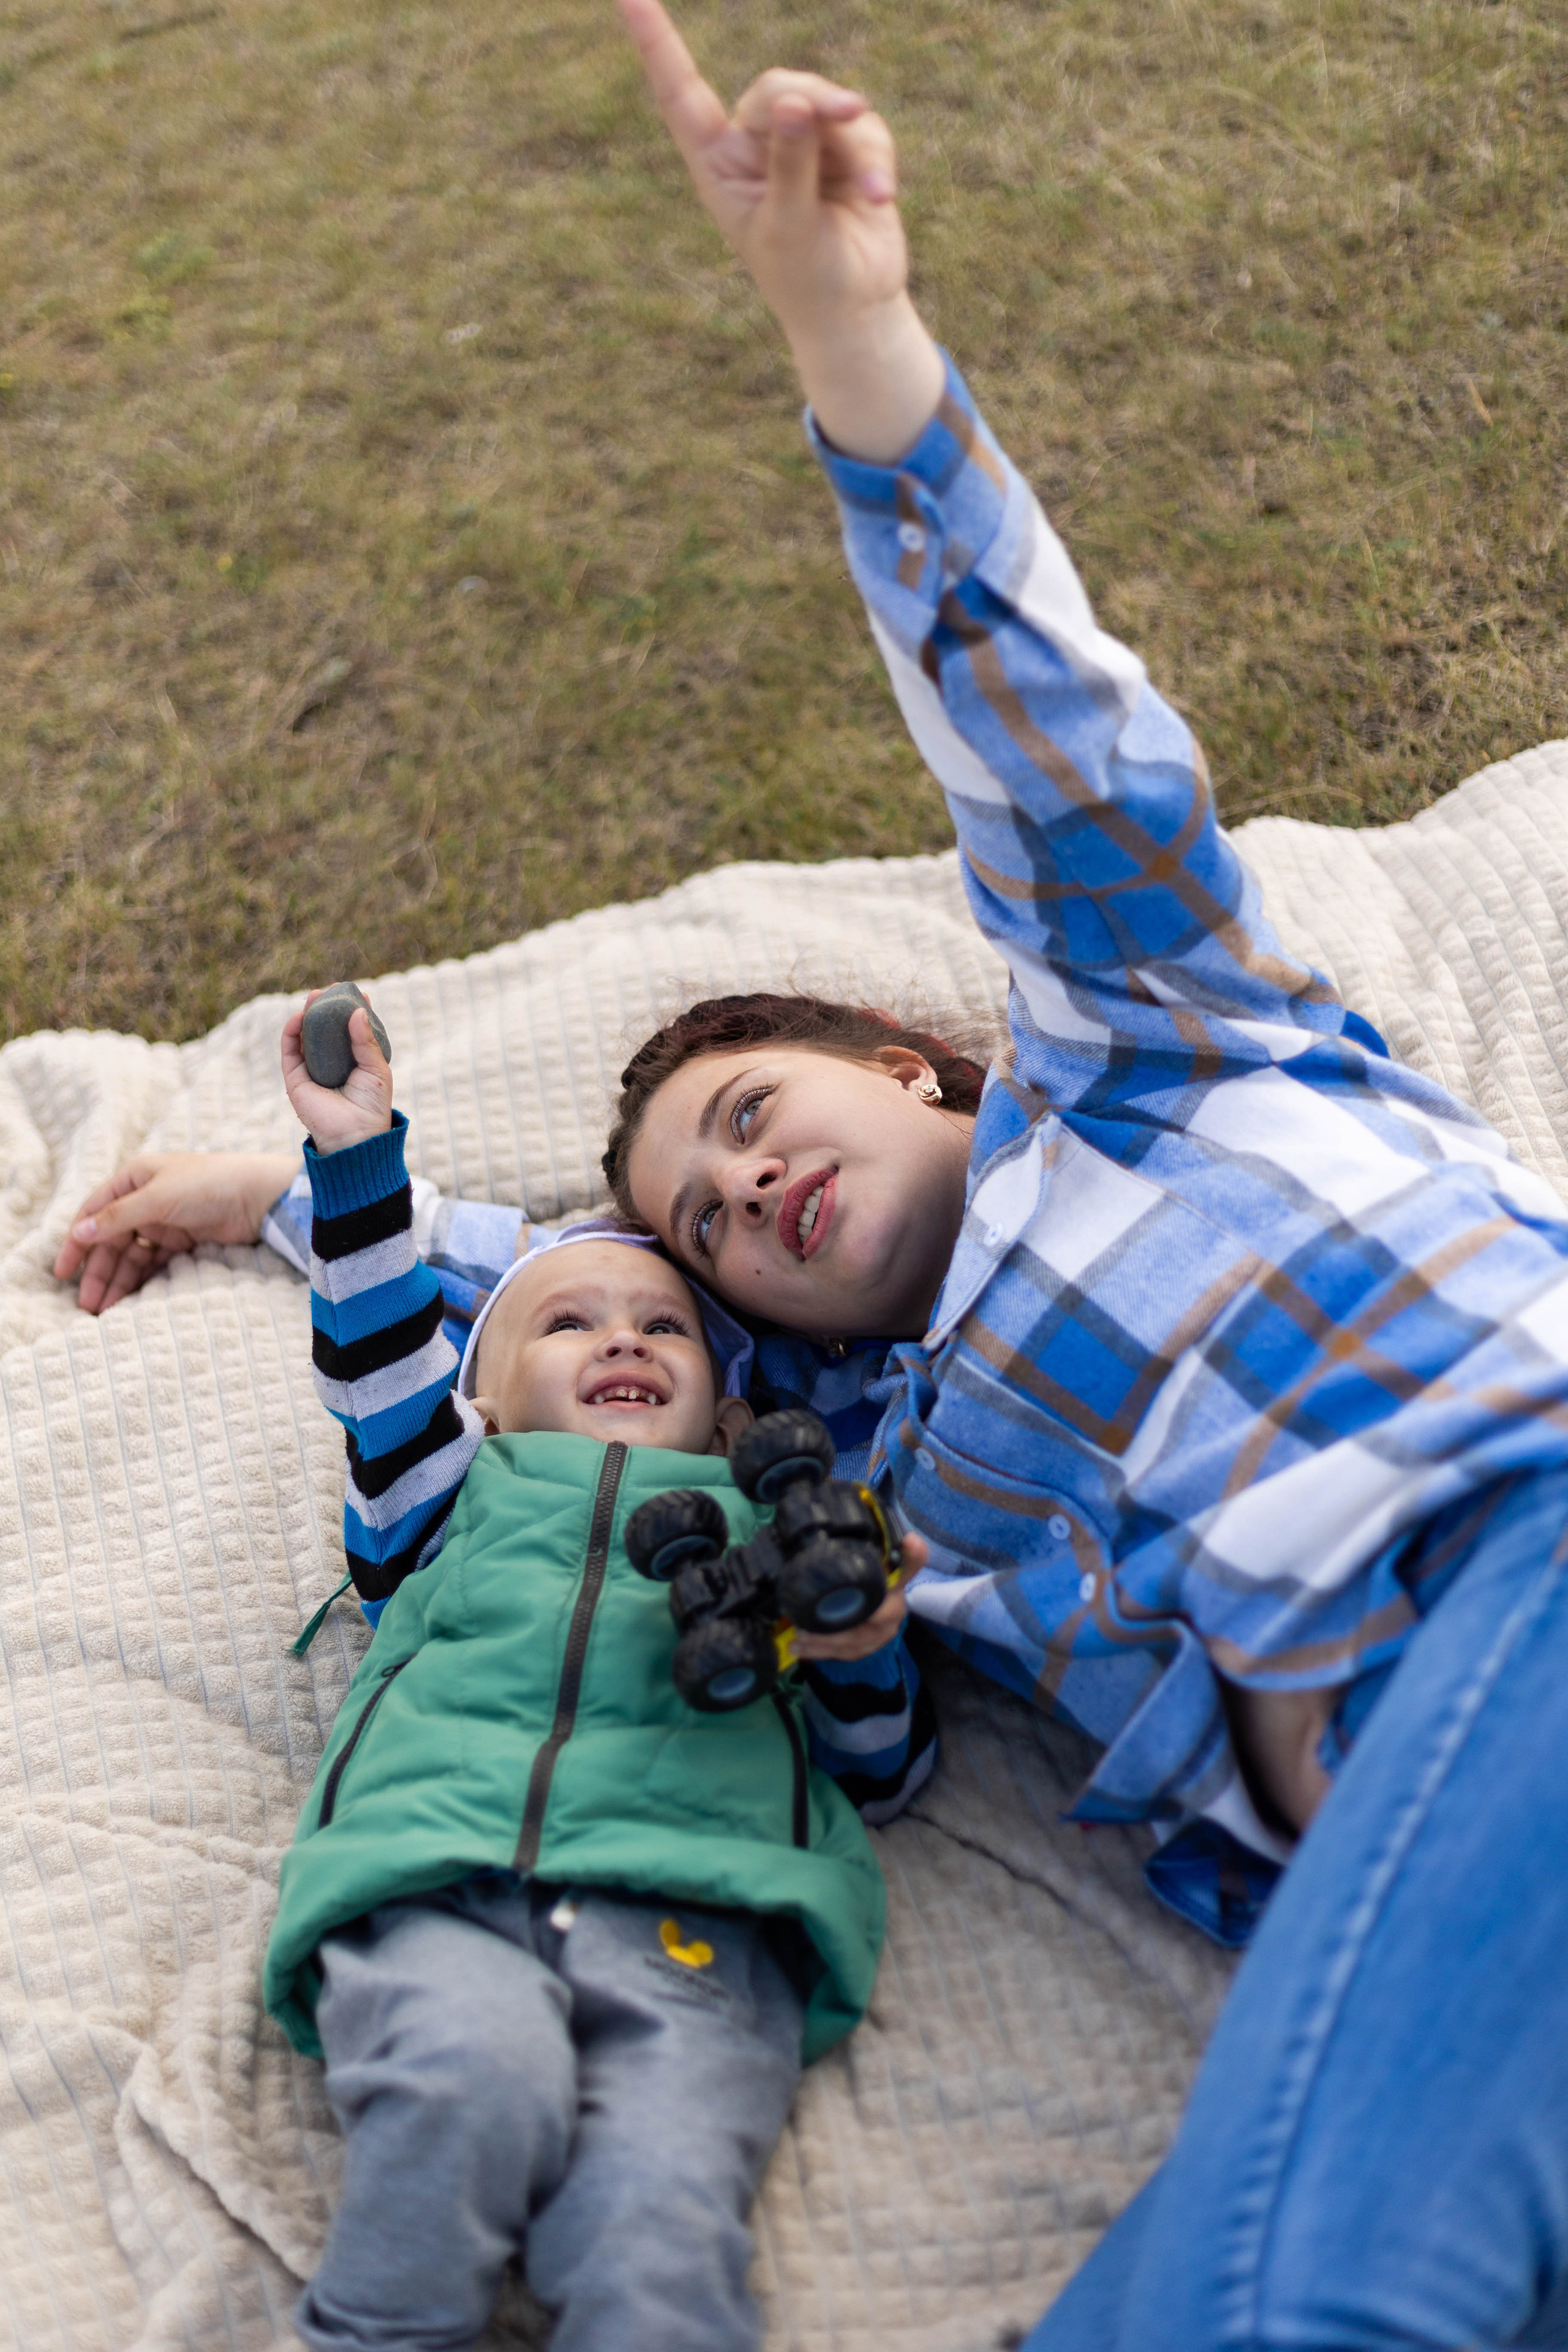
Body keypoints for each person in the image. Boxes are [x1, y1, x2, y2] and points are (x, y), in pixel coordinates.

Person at [51, 3, 1568, 2339]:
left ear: (920, 1062)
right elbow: (556, 1298)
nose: (742, 1195)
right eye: (703, 1216)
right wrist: (283, 1188)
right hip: (1378, 1880)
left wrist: (849, 333)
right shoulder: (886, 1467)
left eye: (756, 1119)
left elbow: (1052, 741)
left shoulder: (1159, 1045)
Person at [265, 990, 930, 2352]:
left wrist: (861, 1648)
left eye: (666, 1328)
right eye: (567, 1322)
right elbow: (378, 1346)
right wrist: (355, 1154)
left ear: (730, 1413)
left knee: (659, 2215)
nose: (624, 1338)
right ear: (485, 1400)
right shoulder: (444, 1495)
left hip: (704, 1920)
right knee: (468, 2082)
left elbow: (882, 1775)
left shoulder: (772, 1531)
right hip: (441, 1873)